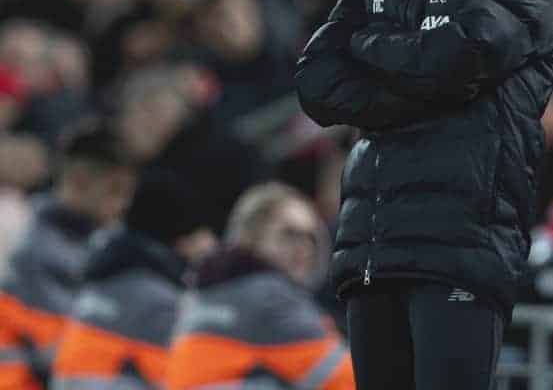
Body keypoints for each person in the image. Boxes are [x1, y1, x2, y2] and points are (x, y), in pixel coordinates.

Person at [293, 0, 553, 390]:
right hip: (372, 247)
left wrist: (370, 52)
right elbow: (314, 80)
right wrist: (421, 75)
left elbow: (461, 54)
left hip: (461, 245)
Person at [163, 183, 351, 390]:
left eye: (310, 238)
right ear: (251, 236)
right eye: (289, 234)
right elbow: (346, 378)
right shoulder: (270, 297)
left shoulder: (202, 291)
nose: (303, 248)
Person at [49, 168, 216, 390]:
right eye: (200, 234)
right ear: (182, 239)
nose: (209, 243)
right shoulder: (162, 301)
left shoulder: (99, 272)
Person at [0, 126, 137, 390]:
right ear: (79, 180)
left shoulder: (108, 243)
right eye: (115, 191)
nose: (123, 204)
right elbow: (57, 348)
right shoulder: (22, 236)